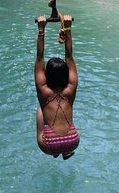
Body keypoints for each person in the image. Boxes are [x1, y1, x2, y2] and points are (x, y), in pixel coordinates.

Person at [34, 15, 80, 160]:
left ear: (47, 75)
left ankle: (56, 151)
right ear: (66, 74)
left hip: (48, 145)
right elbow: (70, 57)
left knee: (40, 112)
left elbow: (40, 58)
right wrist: (67, 27)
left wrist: (41, 29)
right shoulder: (71, 88)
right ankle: (66, 151)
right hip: (73, 141)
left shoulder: (43, 90)